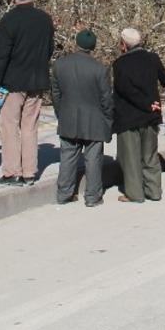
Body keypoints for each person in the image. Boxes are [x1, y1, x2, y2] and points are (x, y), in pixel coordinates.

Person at [0, 0, 55, 185]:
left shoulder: (9, 20)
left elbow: (0, 55)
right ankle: (29, 172)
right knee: (30, 126)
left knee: (9, 126)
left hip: (13, 81)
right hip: (37, 79)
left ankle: (12, 171)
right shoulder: (44, 19)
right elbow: (49, 49)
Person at [112, 27, 165, 203]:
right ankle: (154, 191)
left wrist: (146, 104)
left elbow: (125, 91)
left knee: (130, 158)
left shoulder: (119, 64)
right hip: (151, 116)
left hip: (129, 118)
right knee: (150, 155)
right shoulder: (152, 59)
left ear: (124, 45)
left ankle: (135, 194)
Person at [50, 30, 113, 207]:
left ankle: (64, 193)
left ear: (76, 43)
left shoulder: (59, 65)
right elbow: (106, 99)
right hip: (94, 120)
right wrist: (108, 120)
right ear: (93, 47)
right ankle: (92, 197)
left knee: (68, 155)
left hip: (68, 116)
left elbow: (55, 93)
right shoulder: (100, 69)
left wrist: (60, 113)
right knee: (93, 158)